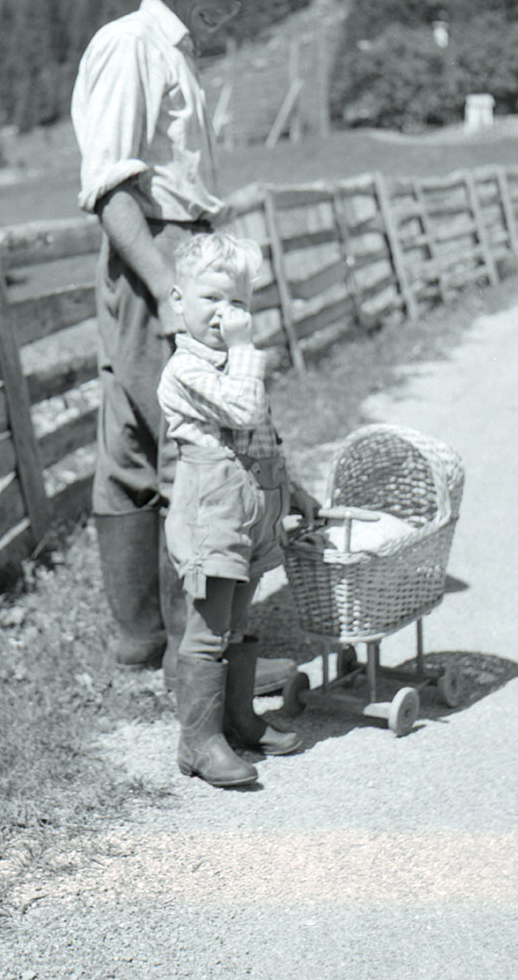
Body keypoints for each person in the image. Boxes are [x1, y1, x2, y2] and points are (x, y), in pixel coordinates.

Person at [70, 0, 292, 693]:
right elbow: (111, 185)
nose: (228, 10)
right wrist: (167, 289)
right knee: (193, 449)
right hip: (151, 253)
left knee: (135, 441)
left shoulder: (175, 54)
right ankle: (187, 657)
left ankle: (143, 645)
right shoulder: (131, 45)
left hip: (175, 247)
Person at [158, 232, 317, 787]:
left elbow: (263, 437)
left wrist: (293, 489)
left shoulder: (235, 362)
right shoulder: (186, 370)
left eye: (239, 304)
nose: (226, 316)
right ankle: (198, 743)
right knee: (207, 631)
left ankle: (240, 719)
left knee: (238, 621)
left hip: (252, 508)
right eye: (211, 300)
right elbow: (244, 409)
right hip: (212, 511)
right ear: (179, 301)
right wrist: (247, 348)